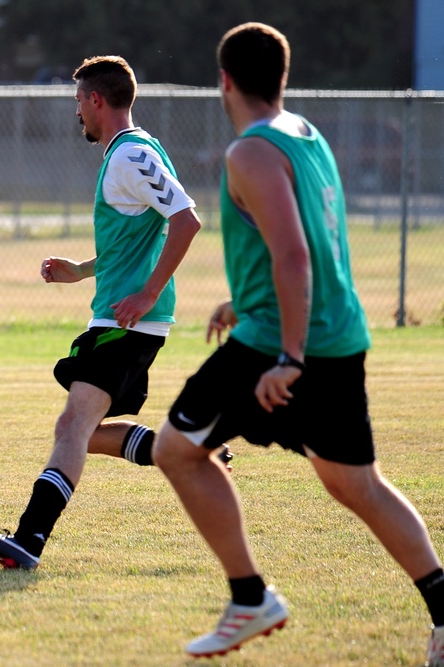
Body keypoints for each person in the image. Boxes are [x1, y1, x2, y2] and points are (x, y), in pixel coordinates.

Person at [151, 23, 444, 664]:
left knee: (177, 449)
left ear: (224, 80)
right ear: (281, 77)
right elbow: (303, 241)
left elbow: (294, 253)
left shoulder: (248, 153)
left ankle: (250, 596)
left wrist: (288, 355)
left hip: (283, 345)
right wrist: (247, 298)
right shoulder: (304, 134)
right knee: (355, 484)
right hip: (339, 336)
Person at [0, 54, 226, 569]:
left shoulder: (130, 154)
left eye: (78, 100)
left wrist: (148, 293)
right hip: (119, 317)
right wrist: (81, 271)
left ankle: (29, 540)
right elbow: (136, 238)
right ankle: (185, 447)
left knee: (73, 426)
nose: (76, 110)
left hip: (127, 322)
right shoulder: (127, 155)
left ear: (96, 100)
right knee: (83, 432)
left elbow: (187, 222)